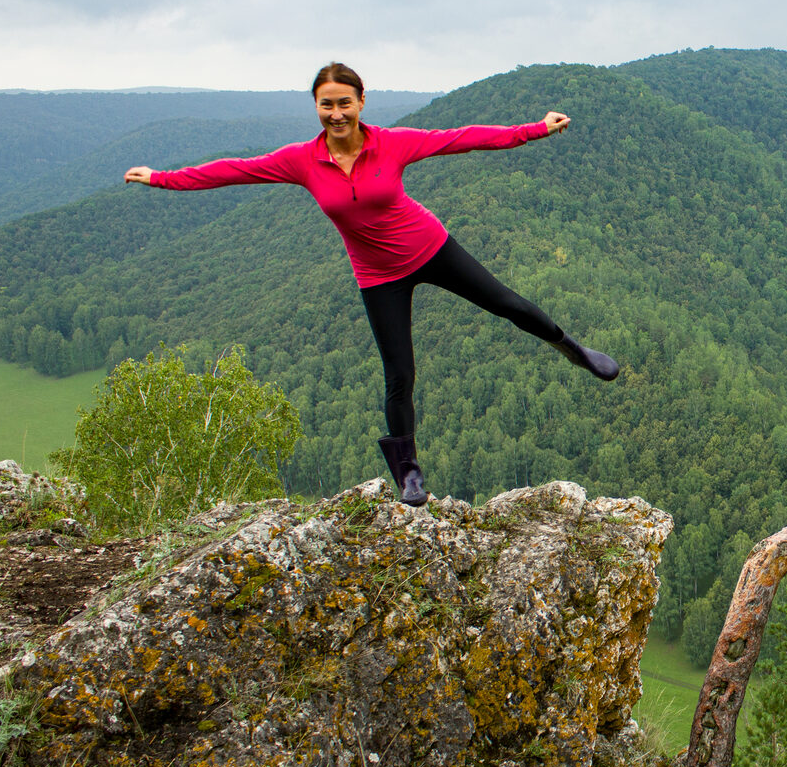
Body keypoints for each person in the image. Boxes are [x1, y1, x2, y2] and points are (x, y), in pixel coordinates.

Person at [124, 61, 618, 507]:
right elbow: (234, 170)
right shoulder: (302, 160)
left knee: (508, 303)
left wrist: (534, 130)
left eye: (344, 103)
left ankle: (573, 349)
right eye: (326, 104)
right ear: (316, 107)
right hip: (379, 276)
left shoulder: (392, 143)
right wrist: (163, 178)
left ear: (361, 102)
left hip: (431, 247)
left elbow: (462, 137)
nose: (336, 113)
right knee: (400, 373)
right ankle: (408, 473)